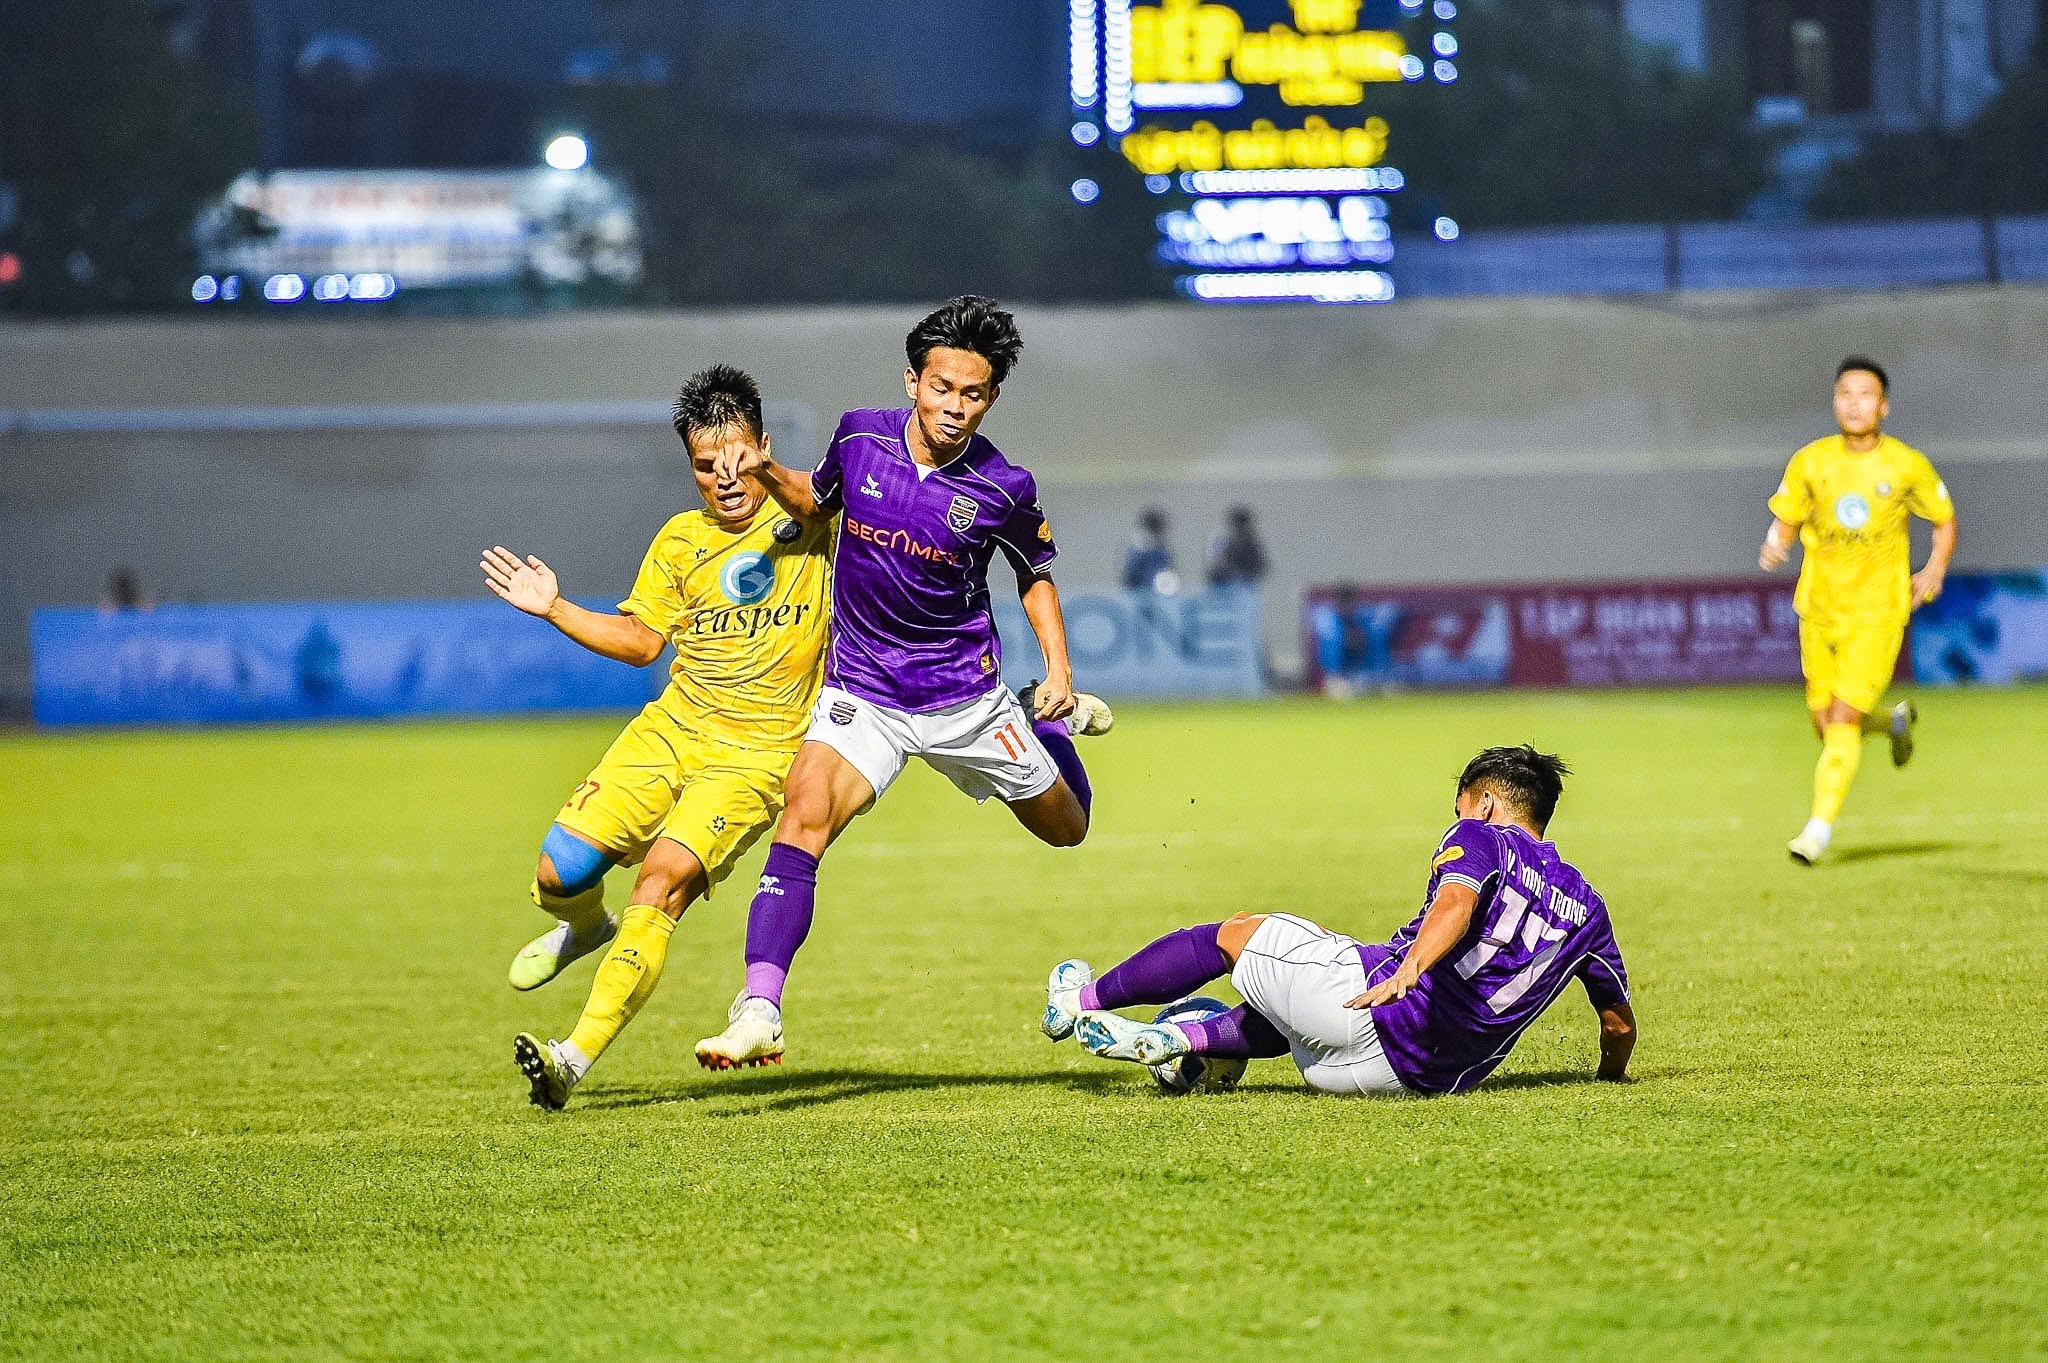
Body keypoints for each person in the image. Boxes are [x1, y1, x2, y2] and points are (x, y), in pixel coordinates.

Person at [694, 295, 1112, 1069]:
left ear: (992, 397)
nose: (956, 407)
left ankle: (1049, 722)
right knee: (806, 809)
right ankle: (759, 1006)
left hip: (965, 700)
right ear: (913, 381)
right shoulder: (858, 435)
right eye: (942, 387)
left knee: (1068, 828)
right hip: (864, 691)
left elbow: (1035, 575)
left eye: (974, 393)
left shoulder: (1005, 485)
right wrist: (766, 469)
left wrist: (1058, 671)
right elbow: (813, 503)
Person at [480, 365, 833, 1109]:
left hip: (753, 758)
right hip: (671, 730)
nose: (724, 479)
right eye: (706, 466)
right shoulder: (679, 540)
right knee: (557, 871)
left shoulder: (813, 519)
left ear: (762, 447)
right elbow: (644, 642)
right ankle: (585, 928)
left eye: (736, 458)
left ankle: (569, 1059)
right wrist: (554, 607)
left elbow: (820, 497)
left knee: (660, 882)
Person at [1045, 745, 1634, 1097]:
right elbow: (1618, 1028)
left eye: (1457, 806)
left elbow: (1456, 904)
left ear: (1483, 804)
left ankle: (1080, 1002)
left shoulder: (1483, 836)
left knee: (1235, 934)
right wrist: (1609, 1082)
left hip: (1378, 1009)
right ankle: (1185, 1038)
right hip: (1410, 1083)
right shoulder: (1590, 907)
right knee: (1288, 1000)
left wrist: (1410, 970)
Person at [1759, 356, 1956, 866]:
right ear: (1835, 402)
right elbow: (1787, 516)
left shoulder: (1906, 465)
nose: (1854, 403)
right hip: (1819, 609)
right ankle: (1891, 724)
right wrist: (1776, 541)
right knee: (1826, 724)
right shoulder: (1811, 461)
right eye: (1845, 393)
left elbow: (1944, 519)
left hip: (1878, 612)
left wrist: (1934, 569)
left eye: (1865, 394)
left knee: (1843, 716)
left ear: (1883, 406)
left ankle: (1817, 832)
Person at [1204, 505, 1268, 589]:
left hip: (1246, 587)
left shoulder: (1254, 545)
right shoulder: (1224, 542)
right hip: (1225, 588)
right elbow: (1215, 568)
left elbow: (1263, 567)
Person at [1121, 507, 1178, 594]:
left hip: (1158, 595)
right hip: (1138, 594)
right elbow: (1129, 579)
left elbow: (1168, 575)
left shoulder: (1162, 551)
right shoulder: (1138, 552)